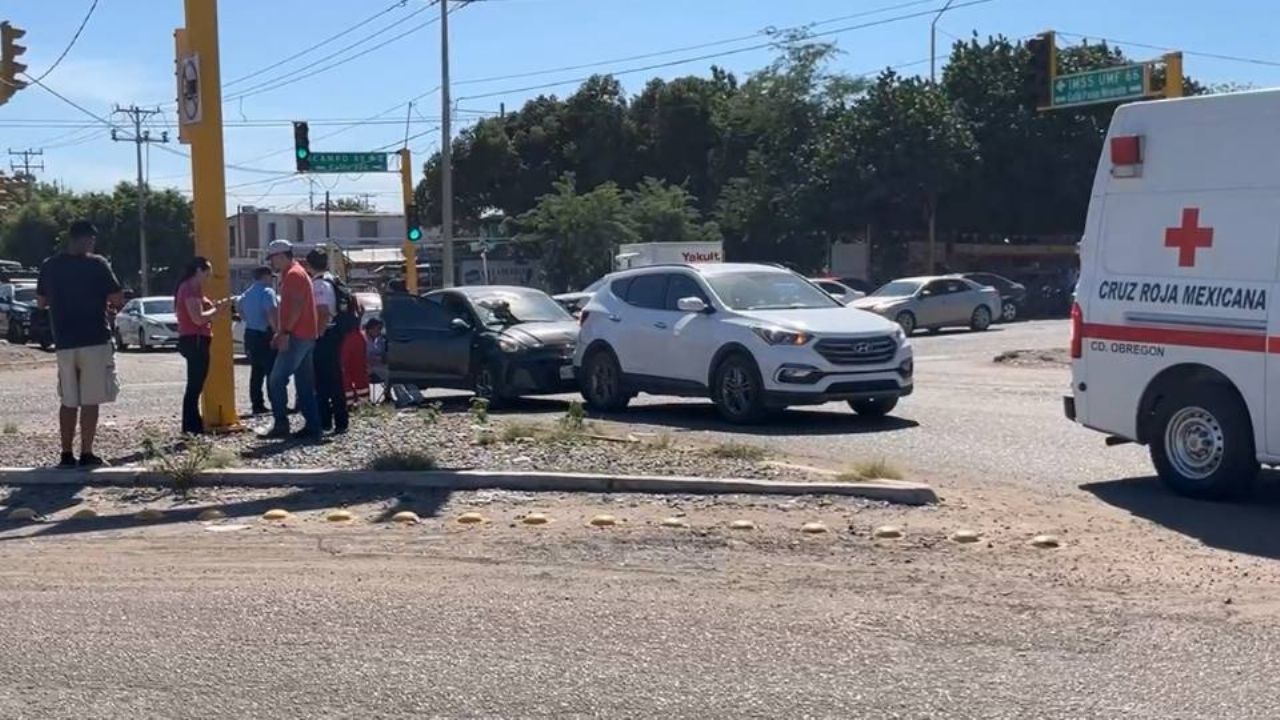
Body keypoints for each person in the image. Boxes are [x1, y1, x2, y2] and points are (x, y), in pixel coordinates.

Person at [35, 220, 124, 468]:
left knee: (68, 400)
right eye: (91, 240)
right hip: (94, 338)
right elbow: (117, 298)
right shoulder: (97, 264)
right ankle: (86, 452)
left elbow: (41, 303)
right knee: (90, 399)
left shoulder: (49, 266)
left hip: (64, 340)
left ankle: (65, 454)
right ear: (86, 239)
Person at [259, 240, 322, 441]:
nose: (272, 263)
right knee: (304, 384)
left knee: (276, 380)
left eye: (273, 258)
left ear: (282, 255)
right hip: (306, 335)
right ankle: (313, 427)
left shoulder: (294, 275)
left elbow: (295, 305)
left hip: (296, 335)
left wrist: (284, 332)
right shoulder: (296, 273)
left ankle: (281, 424)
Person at [174, 257, 230, 435]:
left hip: (196, 338)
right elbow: (197, 318)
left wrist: (213, 306)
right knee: (194, 384)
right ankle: (191, 427)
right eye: (207, 272)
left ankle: (193, 424)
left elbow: (203, 308)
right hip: (195, 339)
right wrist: (217, 311)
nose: (208, 276)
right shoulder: (189, 289)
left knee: (197, 383)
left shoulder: (194, 289)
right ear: (198, 270)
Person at [305, 249, 349, 435]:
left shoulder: (318, 285)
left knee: (323, 381)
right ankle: (339, 420)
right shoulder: (333, 279)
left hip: (326, 335)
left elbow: (322, 312)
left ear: (309, 265)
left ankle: (326, 421)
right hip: (335, 333)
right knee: (334, 379)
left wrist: (317, 335)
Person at [237, 266, 278, 415]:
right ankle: (276, 402)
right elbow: (271, 313)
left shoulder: (246, 294)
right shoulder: (267, 292)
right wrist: (277, 331)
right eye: (270, 277)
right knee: (271, 370)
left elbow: (239, 310)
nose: (271, 281)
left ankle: (257, 404)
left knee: (256, 371)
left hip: (250, 333)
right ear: (265, 276)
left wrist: (249, 319)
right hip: (264, 334)